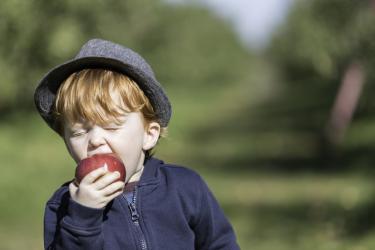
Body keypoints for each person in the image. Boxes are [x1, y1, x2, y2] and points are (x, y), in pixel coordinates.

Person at [34, 38, 240, 250]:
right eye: (78, 131)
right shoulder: (64, 206)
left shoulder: (186, 188)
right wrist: (83, 217)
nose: (95, 140)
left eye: (112, 126)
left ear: (149, 134)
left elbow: (221, 244)